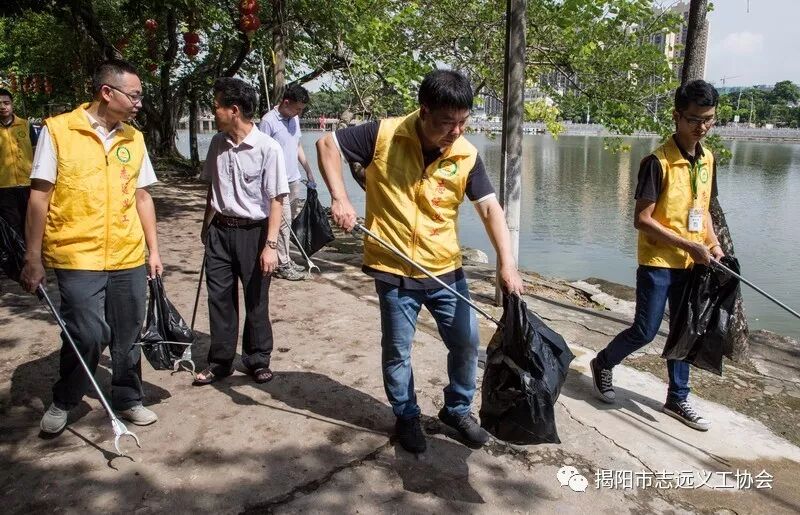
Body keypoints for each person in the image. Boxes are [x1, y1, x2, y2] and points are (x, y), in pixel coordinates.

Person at [316, 69, 524, 453]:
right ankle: (406, 414)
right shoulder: (385, 134)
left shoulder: (466, 155)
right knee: (398, 350)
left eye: (463, 122)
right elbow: (327, 144)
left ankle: (457, 410)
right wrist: (340, 197)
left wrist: (506, 263)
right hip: (393, 266)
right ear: (424, 111)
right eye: (447, 122)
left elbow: (490, 208)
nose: (456, 131)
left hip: (445, 268)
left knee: (466, 343)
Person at [20, 59, 163, 433]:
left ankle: (128, 398)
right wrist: (32, 257)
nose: (139, 103)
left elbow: (142, 196)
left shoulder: (134, 138)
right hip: (77, 253)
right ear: (107, 92)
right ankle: (65, 398)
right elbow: (39, 197)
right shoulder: (58, 131)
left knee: (128, 333)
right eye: (134, 95)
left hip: (127, 253)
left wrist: (153, 250)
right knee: (86, 333)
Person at [590, 80, 724, 431]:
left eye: (708, 119)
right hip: (658, 262)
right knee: (645, 330)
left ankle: (678, 397)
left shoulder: (708, 159)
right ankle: (603, 363)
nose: (702, 127)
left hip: (693, 262)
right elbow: (642, 220)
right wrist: (688, 245)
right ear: (677, 117)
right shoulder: (657, 162)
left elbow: (704, 210)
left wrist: (713, 244)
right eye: (694, 119)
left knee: (685, 330)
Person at [193, 77, 288, 386]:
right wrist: (206, 227)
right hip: (220, 231)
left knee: (256, 300)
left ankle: (257, 358)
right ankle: (220, 361)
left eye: (216, 106)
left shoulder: (268, 148)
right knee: (219, 298)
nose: (213, 112)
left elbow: (276, 199)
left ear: (233, 110)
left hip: (255, 233)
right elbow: (212, 189)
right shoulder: (217, 144)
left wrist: (270, 246)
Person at [257, 84, 317, 281]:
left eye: (301, 109)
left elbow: (297, 145)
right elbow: (261, 153)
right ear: (286, 102)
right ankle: (283, 264)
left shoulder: (295, 119)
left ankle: (285, 258)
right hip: (277, 183)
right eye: (297, 108)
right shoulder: (268, 121)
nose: (299, 113)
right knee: (283, 223)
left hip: (293, 179)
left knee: (288, 223)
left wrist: (308, 170)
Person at [0, 87, 38, 237]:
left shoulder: (26, 125)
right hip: (4, 188)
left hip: (29, 185)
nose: (2, 107)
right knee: (12, 228)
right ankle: (17, 252)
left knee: (32, 223)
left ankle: (33, 250)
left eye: (6, 103)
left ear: (12, 104)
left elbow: (37, 152)